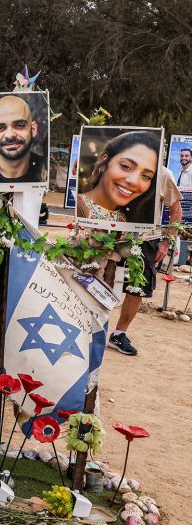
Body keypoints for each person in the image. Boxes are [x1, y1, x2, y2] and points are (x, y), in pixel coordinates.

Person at [109, 167, 182, 356]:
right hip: (109, 237)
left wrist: (166, 242)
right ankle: (92, 330)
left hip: (146, 240)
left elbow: (176, 211)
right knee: (101, 281)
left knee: (137, 289)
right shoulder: (116, 163)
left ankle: (119, 334)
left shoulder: (164, 174)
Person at [77, 130, 160, 225]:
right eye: (126, 166)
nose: (133, 181)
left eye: (146, 176)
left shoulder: (131, 218)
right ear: (104, 162)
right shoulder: (77, 208)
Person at [0, 94, 44, 184]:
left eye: (19, 125)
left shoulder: (43, 168)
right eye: (0, 128)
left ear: (33, 129)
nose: (9, 135)